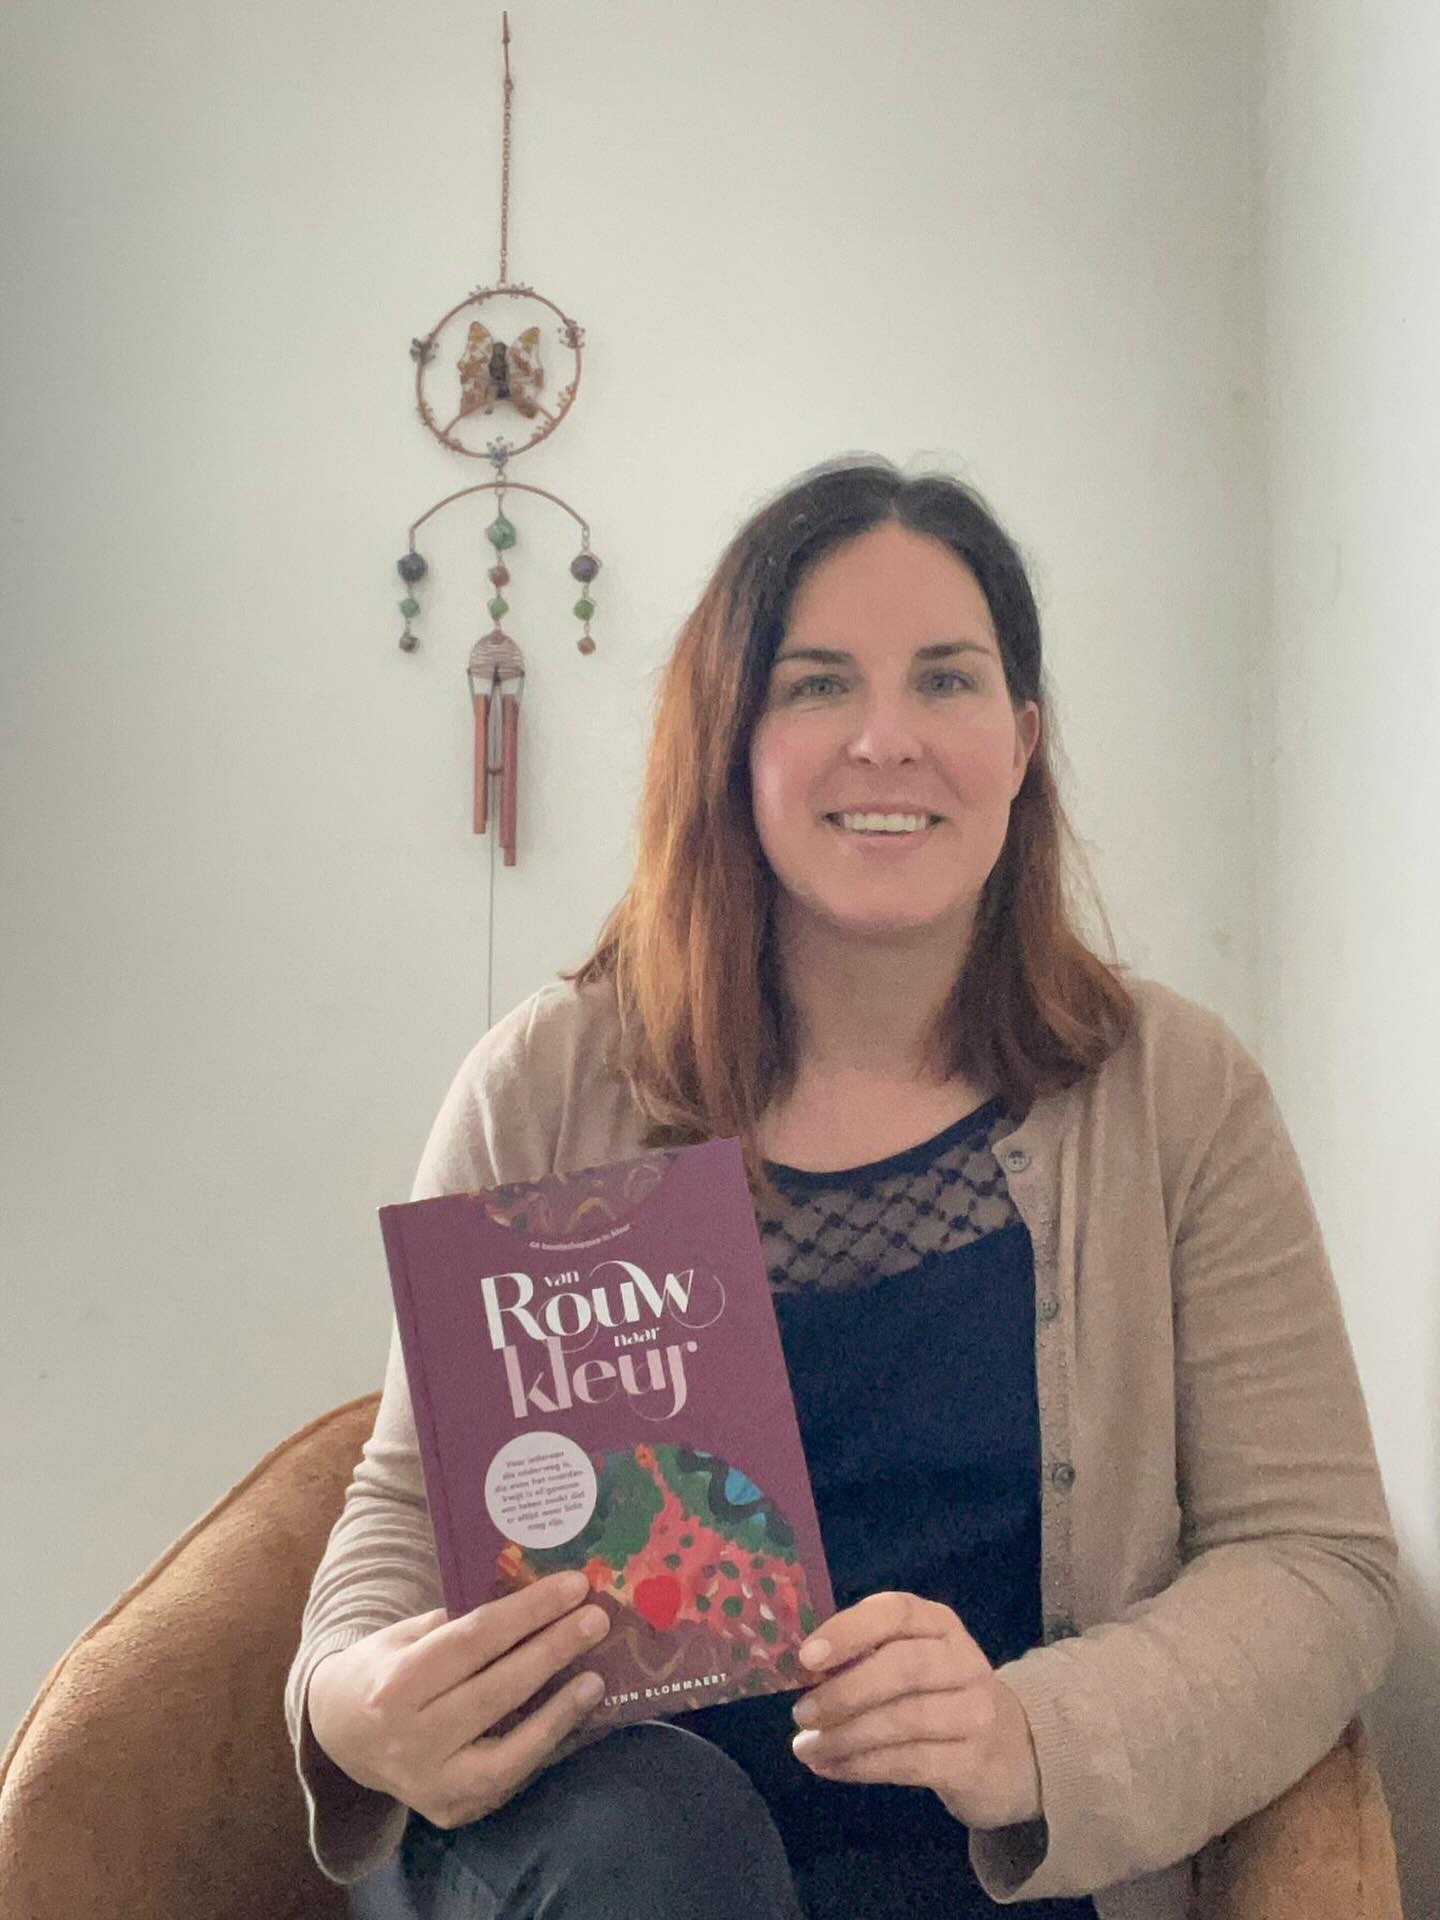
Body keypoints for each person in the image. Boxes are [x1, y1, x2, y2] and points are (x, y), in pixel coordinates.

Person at [286, 458, 1397, 1920]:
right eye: (817, 686)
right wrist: (350, 1697)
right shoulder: (548, 1085)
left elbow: (1317, 1564)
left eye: (946, 681)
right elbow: (399, 1503)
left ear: (1021, 741)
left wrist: (1031, 1731)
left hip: (981, 1870)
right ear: (733, 745)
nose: (887, 739)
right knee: (658, 1838)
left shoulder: (1177, 1098)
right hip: (593, 1856)